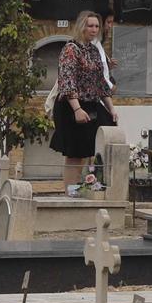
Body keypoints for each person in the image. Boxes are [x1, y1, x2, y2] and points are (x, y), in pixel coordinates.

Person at [49, 10, 114, 189]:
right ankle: (70, 192)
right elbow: (67, 80)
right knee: (75, 153)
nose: (94, 29)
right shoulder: (71, 49)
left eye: (96, 26)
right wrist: (77, 109)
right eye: (90, 25)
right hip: (72, 104)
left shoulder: (93, 50)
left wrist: (111, 108)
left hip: (92, 103)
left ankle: (92, 186)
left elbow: (101, 83)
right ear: (82, 27)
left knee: (105, 135)